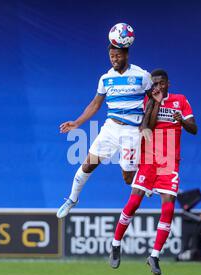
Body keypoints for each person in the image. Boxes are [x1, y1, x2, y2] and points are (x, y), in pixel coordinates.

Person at [108, 69, 198, 275]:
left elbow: (194, 128)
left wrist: (181, 120)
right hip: (149, 158)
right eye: (154, 84)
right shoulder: (147, 101)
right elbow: (146, 125)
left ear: (168, 83)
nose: (157, 87)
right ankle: (115, 243)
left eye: (160, 83)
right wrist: (156, 102)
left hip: (169, 162)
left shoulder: (180, 100)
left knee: (168, 209)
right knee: (134, 202)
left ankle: (154, 255)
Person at [56, 44, 153, 219]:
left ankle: (146, 179)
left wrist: (146, 124)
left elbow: (154, 101)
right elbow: (95, 104)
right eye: (111, 56)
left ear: (126, 55)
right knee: (88, 164)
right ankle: (72, 199)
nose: (114, 59)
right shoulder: (106, 78)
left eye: (117, 56)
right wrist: (77, 122)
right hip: (110, 128)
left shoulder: (142, 75)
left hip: (131, 131)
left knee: (128, 178)